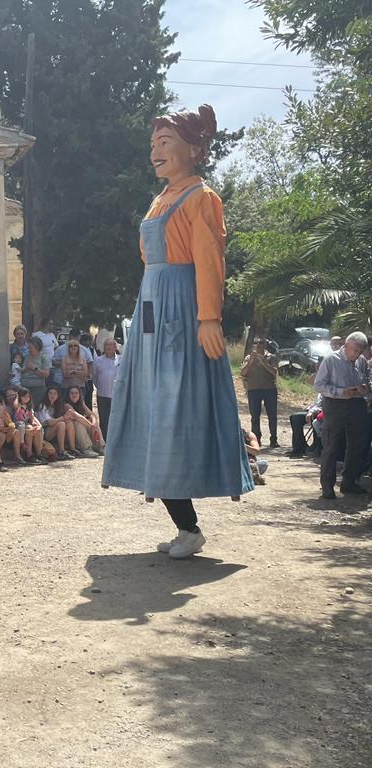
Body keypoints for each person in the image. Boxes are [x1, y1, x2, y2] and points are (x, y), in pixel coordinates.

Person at [101, 104, 254, 560]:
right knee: (151, 407)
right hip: (152, 307)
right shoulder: (161, 199)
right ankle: (185, 523)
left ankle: (192, 523)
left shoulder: (200, 198)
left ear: (194, 148)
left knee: (176, 405)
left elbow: (209, 261)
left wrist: (209, 317)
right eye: (153, 145)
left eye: (165, 143)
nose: (155, 152)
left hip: (181, 310)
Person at [313, 331, 369, 499]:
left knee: (357, 445)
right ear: (346, 345)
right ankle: (327, 486)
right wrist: (340, 391)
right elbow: (319, 385)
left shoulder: (362, 362)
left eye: (360, 351)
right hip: (335, 404)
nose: (357, 354)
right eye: (355, 350)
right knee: (331, 445)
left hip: (357, 404)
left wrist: (365, 390)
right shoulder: (331, 360)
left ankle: (349, 481)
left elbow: (366, 381)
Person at [240, 336, 279, 447]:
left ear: (265, 345)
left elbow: (274, 372)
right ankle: (256, 439)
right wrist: (251, 362)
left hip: (269, 390)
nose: (258, 346)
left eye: (261, 343)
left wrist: (263, 362)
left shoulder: (271, 357)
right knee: (255, 416)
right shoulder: (249, 358)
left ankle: (274, 439)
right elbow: (243, 373)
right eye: (256, 343)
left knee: (272, 416)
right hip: (254, 390)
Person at [63, 386, 104, 457]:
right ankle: (86, 449)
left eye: (76, 393)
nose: (74, 395)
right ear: (68, 395)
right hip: (69, 433)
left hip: (81, 431)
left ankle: (100, 446)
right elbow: (77, 416)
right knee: (78, 423)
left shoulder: (81, 403)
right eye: (72, 393)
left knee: (93, 421)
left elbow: (91, 414)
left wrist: (93, 422)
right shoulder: (66, 405)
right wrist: (91, 426)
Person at [93, 338, 120, 440]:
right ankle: (104, 440)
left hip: (116, 395)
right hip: (102, 394)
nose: (109, 347)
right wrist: (99, 386)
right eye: (106, 345)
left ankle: (115, 439)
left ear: (115, 347)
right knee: (104, 419)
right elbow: (95, 377)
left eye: (111, 345)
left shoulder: (120, 360)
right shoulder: (98, 361)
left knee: (115, 419)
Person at [38, 386, 73, 460]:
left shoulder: (57, 406)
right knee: (61, 424)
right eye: (50, 393)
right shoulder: (42, 406)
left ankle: (73, 449)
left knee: (68, 423)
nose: (52, 395)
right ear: (47, 394)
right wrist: (63, 417)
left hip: (54, 431)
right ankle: (61, 451)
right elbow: (49, 423)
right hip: (45, 431)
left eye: (55, 394)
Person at [0, 398, 22, 463]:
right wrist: (8, 429)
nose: (2, 410)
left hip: (6, 432)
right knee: (1, 435)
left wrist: (5, 419)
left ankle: (17, 455)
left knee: (16, 432)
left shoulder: (5, 413)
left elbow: (11, 425)